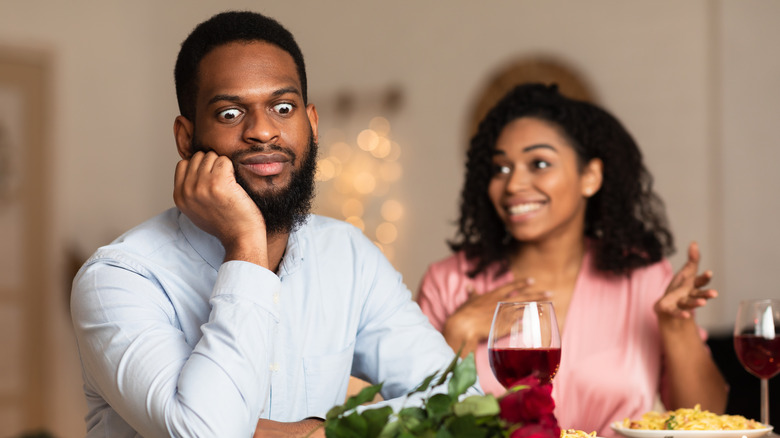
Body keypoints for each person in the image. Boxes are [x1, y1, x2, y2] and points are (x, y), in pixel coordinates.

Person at [70, 11, 476, 438]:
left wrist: (314, 432)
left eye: (283, 108)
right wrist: (246, 242)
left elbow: (458, 403)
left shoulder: (349, 257)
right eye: (230, 113)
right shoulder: (119, 279)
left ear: (312, 123)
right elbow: (207, 434)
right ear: (186, 138)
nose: (263, 132)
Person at [417, 83, 728, 437]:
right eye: (500, 169)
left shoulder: (643, 277)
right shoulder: (449, 282)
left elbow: (708, 418)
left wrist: (676, 327)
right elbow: (410, 421)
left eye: (539, 163)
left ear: (590, 177)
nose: (513, 184)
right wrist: (456, 334)